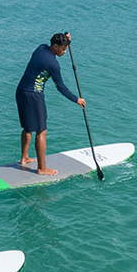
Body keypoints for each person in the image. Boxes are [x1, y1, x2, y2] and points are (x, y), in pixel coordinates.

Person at [15, 32, 84, 175]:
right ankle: (42, 168)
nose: (64, 52)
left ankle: (24, 158)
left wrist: (66, 38)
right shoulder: (53, 64)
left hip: (21, 91)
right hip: (34, 96)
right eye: (63, 48)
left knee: (28, 128)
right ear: (55, 46)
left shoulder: (41, 48)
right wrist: (76, 99)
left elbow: (57, 42)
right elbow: (61, 87)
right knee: (41, 131)